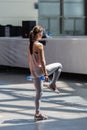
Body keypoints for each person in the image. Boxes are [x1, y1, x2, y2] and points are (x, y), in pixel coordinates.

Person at [27, 25, 62, 121]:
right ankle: (53, 83)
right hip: (39, 71)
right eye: (41, 33)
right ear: (38, 34)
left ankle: (37, 114)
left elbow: (29, 60)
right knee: (59, 65)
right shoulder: (39, 45)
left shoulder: (30, 44)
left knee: (39, 93)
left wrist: (31, 72)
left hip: (33, 72)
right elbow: (42, 61)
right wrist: (46, 74)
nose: (42, 34)